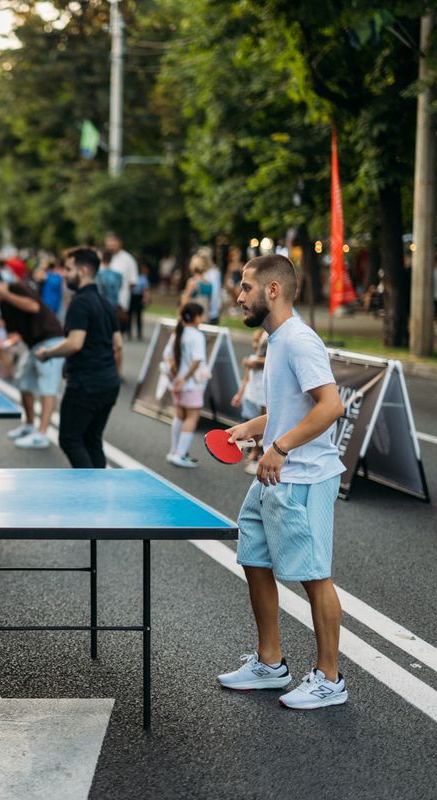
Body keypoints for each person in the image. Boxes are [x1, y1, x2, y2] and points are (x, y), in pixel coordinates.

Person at [218, 254, 347, 710]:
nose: (239, 296)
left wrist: (281, 446)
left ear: (272, 290)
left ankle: (330, 678)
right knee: (253, 557)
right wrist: (252, 431)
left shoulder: (297, 341)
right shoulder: (276, 341)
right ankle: (270, 663)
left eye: (246, 287)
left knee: (314, 577)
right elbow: (291, 410)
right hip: (274, 478)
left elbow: (331, 406)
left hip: (304, 478)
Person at [35, 248, 122, 469]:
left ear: (83, 271)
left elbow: (75, 343)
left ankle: (89, 493)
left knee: (70, 439)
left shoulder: (80, 303)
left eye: (68, 269)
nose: (64, 274)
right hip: (108, 383)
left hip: (86, 384)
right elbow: (118, 344)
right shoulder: (105, 302)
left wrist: (47, 353)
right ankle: (98, 491)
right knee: (92, 440)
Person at [0, 269, 64, 449]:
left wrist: (6, 294)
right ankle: (29, 425)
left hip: (50, 339)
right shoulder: (2, 304)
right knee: (24, 383)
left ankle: (42, 434)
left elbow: (33, 306)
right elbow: (15, 331)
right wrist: (8, 343)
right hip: (33, 344)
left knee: (47, 387)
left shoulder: (16, 287)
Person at [163, 302, 207, 468]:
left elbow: (167, 356)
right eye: (201, 315)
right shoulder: (196, 335)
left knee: (180, 415)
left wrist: (176, 375)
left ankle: (174, 451)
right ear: (195, 317)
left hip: (176, 383)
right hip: (190, 384)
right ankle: (180, 455)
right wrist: (185, 377)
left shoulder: (178, 333)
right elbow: (197, 360)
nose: (202, 319)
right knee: (192, 417)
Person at [231, 328, 268, 475]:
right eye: (254, 341)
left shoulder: (267, 359)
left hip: (264, 398)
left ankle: (258, 454)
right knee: (252, 425)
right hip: (252, 395)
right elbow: (246, 379)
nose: (255, 344)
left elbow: (262, 363)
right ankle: (254, 451)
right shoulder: (252, 358)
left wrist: (253, 362)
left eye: (257, 341)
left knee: (264, 427)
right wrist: (239, 394)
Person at [104, 233, 138, 325]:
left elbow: (133, 282)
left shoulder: (128, 259)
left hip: (120, 303)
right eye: (109, 245)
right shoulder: (102, 258)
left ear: (120, 244)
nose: (111, 247)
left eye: (113, 245)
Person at [130, 264, 150, 340]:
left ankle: (139, 333)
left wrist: (145, 299)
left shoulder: (143, 278)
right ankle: (129, 332)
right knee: (130, 315)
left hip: (139, 297)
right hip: (132, 297)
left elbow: (145, 290)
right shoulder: (133, 276)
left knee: (138, 316)